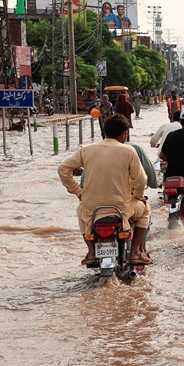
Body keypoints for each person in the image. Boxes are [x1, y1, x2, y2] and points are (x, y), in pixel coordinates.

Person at [57, 114, 151, 266]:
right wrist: (137, 196)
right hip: (121, 208)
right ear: (124, 134)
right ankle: (134, 253)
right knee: (145, 211)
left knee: (81, 213)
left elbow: (63, 169)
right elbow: (141, 180)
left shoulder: (86, 150)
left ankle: (91, 252)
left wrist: (78, 192)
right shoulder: (128, 151)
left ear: (105, 131)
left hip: (91, 208)